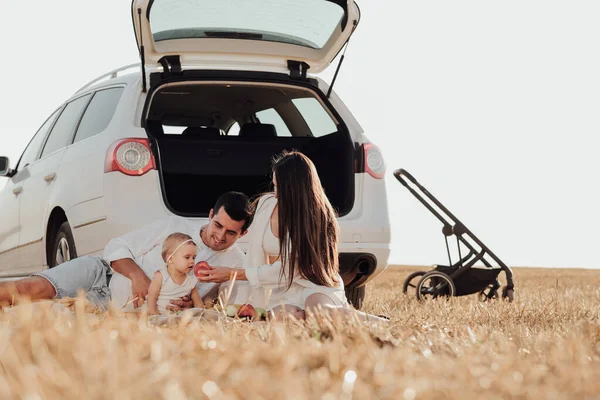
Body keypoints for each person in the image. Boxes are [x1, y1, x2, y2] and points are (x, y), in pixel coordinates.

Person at [197, 151, 388, 322]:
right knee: (282, 318)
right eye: (274, 185)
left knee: (318, 313)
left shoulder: (317, 218)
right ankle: (318, 317)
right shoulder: (266, 204)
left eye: (279, 187)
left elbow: (289, 271)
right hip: (284, 289)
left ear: (294, 190)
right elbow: (254, 252)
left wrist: (231, 273)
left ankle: (372, 320)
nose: (275, 193)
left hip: (314, 285)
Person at [0, 191, 254, 311]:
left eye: (231, 233)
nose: (219, 236)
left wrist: (190, 305)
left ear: (243, 234)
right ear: (210, 215)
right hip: (99, 274)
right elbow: (116, 247)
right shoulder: (174, 225)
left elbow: (225, 309)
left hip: (114, 307)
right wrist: (137, 276)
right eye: (217, 225)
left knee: (42, 317)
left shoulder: (235, 264)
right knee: (26, 290)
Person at [146, 233, 204, 315]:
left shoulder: (190, 280)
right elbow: (151, 298)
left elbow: (199, 304)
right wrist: (155, 316)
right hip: (159, 317)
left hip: (178, 320)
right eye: (187, 257)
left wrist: (199, 315)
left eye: (194, 257)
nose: (192, 261)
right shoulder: (161, 276)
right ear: (171, 259)